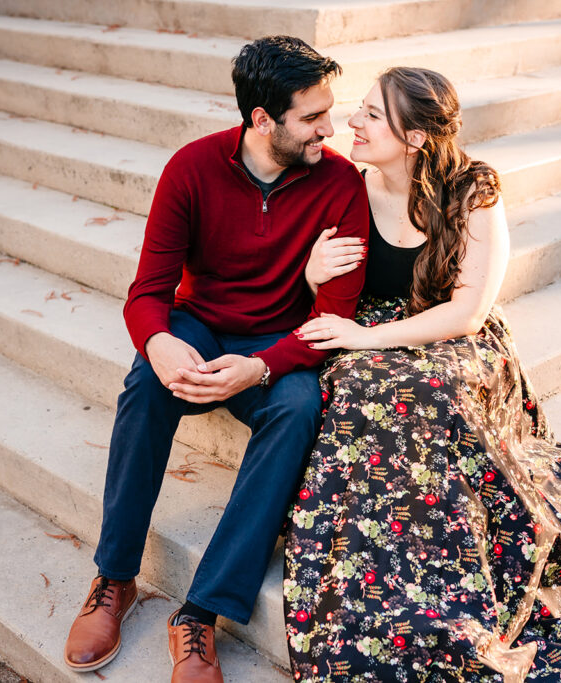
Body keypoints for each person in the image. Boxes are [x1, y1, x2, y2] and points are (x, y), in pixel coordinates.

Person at [283, 67, 561, 682]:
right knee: (355, 386)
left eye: (371, 114)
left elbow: (468, 311)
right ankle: (383, 555)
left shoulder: (472, 194)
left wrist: (370, 338)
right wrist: (312, 276)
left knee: (430, 391)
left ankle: (457, 559)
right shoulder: (346, 186)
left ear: (415, 138)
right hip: (372, 328)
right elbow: (315, 287)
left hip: (454, 335)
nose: (352, 123)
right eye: (357, 110)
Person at [62, 36, 370, 682]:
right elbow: (147, 292)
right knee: (148, 379)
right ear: (262, 119)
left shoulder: (340, 183)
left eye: (329, 111)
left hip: (278, 341)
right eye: (312, 117)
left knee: (299, 405)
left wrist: (262, 366)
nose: (330, 128)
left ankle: (199, 613)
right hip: (198, 327)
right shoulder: (192, 168)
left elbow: (331, 320)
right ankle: (115, 576)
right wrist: (161, 340)